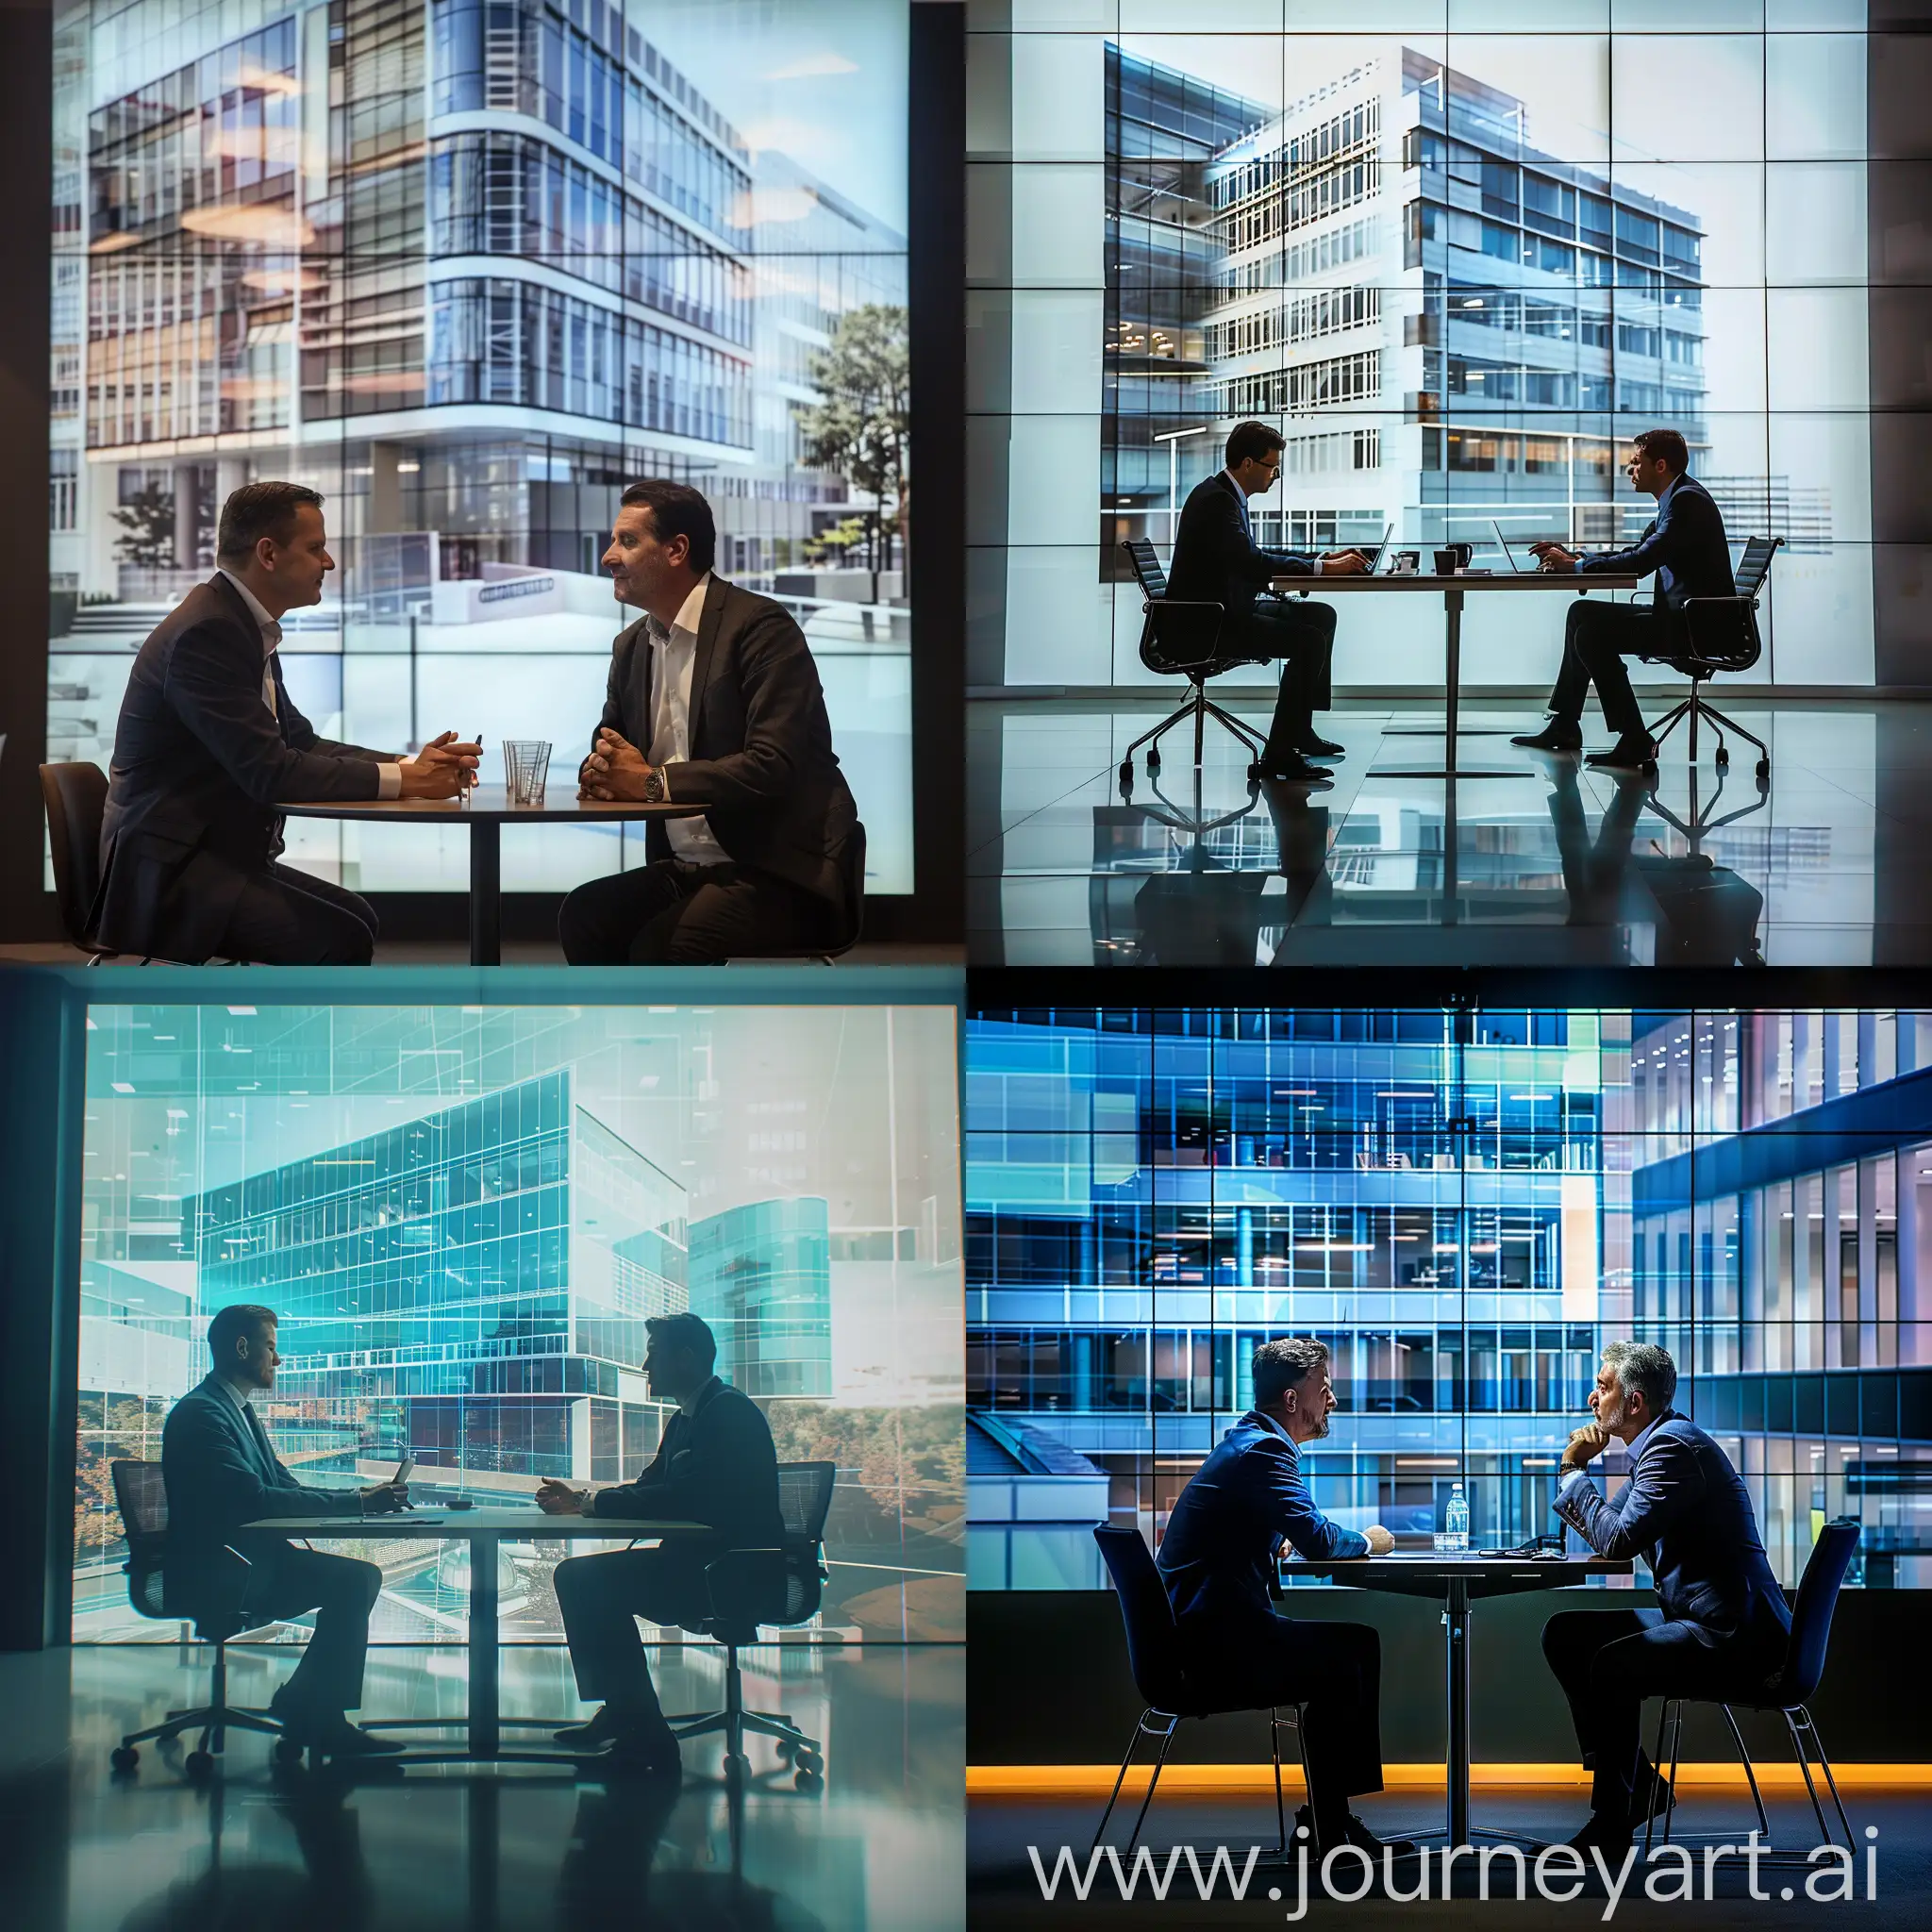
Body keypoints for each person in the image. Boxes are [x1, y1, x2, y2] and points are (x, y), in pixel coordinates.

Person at [92, 482, 477, 963]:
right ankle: (275, 1040)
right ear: (268, 554)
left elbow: (301, 742)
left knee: (359, 919)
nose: (329, 563)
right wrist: (405, 781)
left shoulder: (238, 624)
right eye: (316, 548)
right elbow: (269, 771)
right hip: (168, 875)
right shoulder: (208, 633)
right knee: (341, 936)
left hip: (206, 856)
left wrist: (410, 765)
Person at [557, 481, 861, 963]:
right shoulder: (632, 646)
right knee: (586, 915)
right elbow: (613, 749)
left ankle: (670, 1039)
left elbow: (772, 765)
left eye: (627, 542)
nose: (608, 557)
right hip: (688, 867)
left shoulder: (761, 628)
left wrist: (651, 783)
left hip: (780, 870)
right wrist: (603, 769)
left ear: (677, 550)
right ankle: (620, 1036)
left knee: (666, 944)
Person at [1155, 1338, 1409, 1855]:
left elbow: (1257, 1527)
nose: (1332, 1399)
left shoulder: (1245, 1444)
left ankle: (1327, 1817)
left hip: (1199, 1634)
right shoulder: (1265, 1451)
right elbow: (1318, 1537)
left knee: (1354, 1648)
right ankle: (1329, 1823)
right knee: (1350, 1654)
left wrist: (1273, 1536)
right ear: (1293, 1401)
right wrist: (1370, 1541)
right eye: (1325, 1388)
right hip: (1214, 1649)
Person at [1541, 1341, 1791, 1853]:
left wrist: (1571, 1468)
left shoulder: (1671, 1448)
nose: (1592, 1398)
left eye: (1603, 1386)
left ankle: (1614, 1818)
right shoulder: (1658, 1447)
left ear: (1634, 1402)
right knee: (1568, 1634)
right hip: (1711, 1621)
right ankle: (1642, 1787)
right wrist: (1595, 1502)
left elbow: (1614, 1540)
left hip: (1734, 1636)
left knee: (1611, 1664)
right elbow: (1614, 1530)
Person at [159, 1303, 412, 1756]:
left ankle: (308, 1706)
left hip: (247, 1559)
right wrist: (358, 1503)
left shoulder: (234, 1411)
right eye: (271, 1347)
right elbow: (254, 1499)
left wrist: (362, 1496)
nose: (278, 1359)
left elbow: (283, 1485)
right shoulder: (204, 1415)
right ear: (242, 1347)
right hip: (224, 1570)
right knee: (356, 1580)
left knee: (357, 1579)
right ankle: (314, 1712)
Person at [540, 1312, 783, 1775]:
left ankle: (643, 1731)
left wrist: (592, 1503)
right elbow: (651, 1485)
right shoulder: (686, 1420)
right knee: (582, 1578)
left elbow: (690, 1497)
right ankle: (626, 1711)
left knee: (584, 1580)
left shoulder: (727, 1413)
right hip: (701, 1565)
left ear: (686, 1358)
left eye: (654, 1353)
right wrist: (582, 1502)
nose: (646, 1365)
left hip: (730, 1573)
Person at [1512, 428, 1736, 774]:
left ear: (1659, 465)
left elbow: (1642, 562)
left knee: (1591, 634)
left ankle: (1634, 737)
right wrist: (1577, 559)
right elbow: (1636, 552)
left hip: (1694, 629)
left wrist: (1576, 567)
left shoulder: (1686, 502)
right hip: (1683, 618)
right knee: (1581, 612)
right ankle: (1565, 725)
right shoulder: (1676, 500)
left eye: (1636, 462)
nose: (1630, 470)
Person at [1163, 422, 1370, 786]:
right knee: (1308, 640)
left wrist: (1321, 558)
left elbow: (1253, 556)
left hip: (1227, 609)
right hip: (1209, 625)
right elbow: (1251, 563)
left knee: (1321, 616)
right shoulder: (1216, 501)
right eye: (1272, 467)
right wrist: (1322, 568)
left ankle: (1300, 731)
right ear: (1247, 464)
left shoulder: (1225, 495)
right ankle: (1280, 752)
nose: (1276, 475)